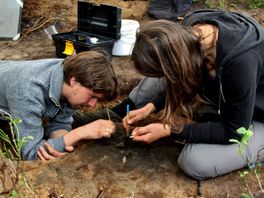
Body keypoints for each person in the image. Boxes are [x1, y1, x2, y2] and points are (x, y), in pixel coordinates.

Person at [115, 9, 264, 179]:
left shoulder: (240, 62)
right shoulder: (189, 30)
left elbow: (234, 131)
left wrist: (171, 129)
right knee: (156, 79)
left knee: (195, 162)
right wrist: (151, 106)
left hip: (256, 117)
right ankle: (122, 110)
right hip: (237, 94)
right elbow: (180, 76)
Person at [0, 50, 118, 161]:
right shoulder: (27, 91)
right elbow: (31, 153)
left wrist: (62, 145)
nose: (92, 104)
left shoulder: (67, 76)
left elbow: (61, 122)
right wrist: (80, 133)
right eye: (92, 96)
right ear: (74, 82)